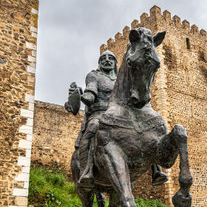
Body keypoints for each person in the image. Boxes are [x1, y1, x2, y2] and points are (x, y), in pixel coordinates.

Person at [66, 50, 167, 187]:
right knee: (93, 127)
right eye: (103, 58)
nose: (107, 60)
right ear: (99, 62)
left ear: (115, 62)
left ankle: (156, 169)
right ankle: (86, 170)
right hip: (100, 113)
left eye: (110, 58)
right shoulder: (94, 76)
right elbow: (91, 92)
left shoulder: (122, 79)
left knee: (146, 128)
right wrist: (80, 96)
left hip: (121, 113)